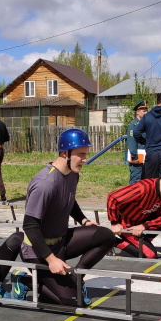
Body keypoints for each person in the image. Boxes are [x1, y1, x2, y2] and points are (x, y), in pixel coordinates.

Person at [21, 129, 115, 306]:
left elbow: (69, 199)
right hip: (38, 250)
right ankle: (25, 281)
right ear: (65, 153)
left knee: (106, 236)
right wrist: (51, 260)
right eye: (81, 155)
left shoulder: (73, 174)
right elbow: (30, 226)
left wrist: (84, 221)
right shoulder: (45, 184)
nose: (85, 160)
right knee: (72, 301)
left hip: (61, 241)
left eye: (86, 154)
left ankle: (75, 279)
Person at [107, 163, 161, 259]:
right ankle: (112, 241)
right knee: (150, 255)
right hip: (126, 221)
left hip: (141, 220)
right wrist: (114, 222)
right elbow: (113, 197)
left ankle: (143, 242)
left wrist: (144, 226)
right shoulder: (143, 188)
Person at [125, 100, 148, 184]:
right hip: (137, 157)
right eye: (144, 111)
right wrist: (134, 157)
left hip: (145, 156)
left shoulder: (145, 125)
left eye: (147, 111)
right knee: (136, 179)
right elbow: (131, 142)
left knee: (144, 180)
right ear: (137, 112)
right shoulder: (133, 125)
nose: (146, 113)